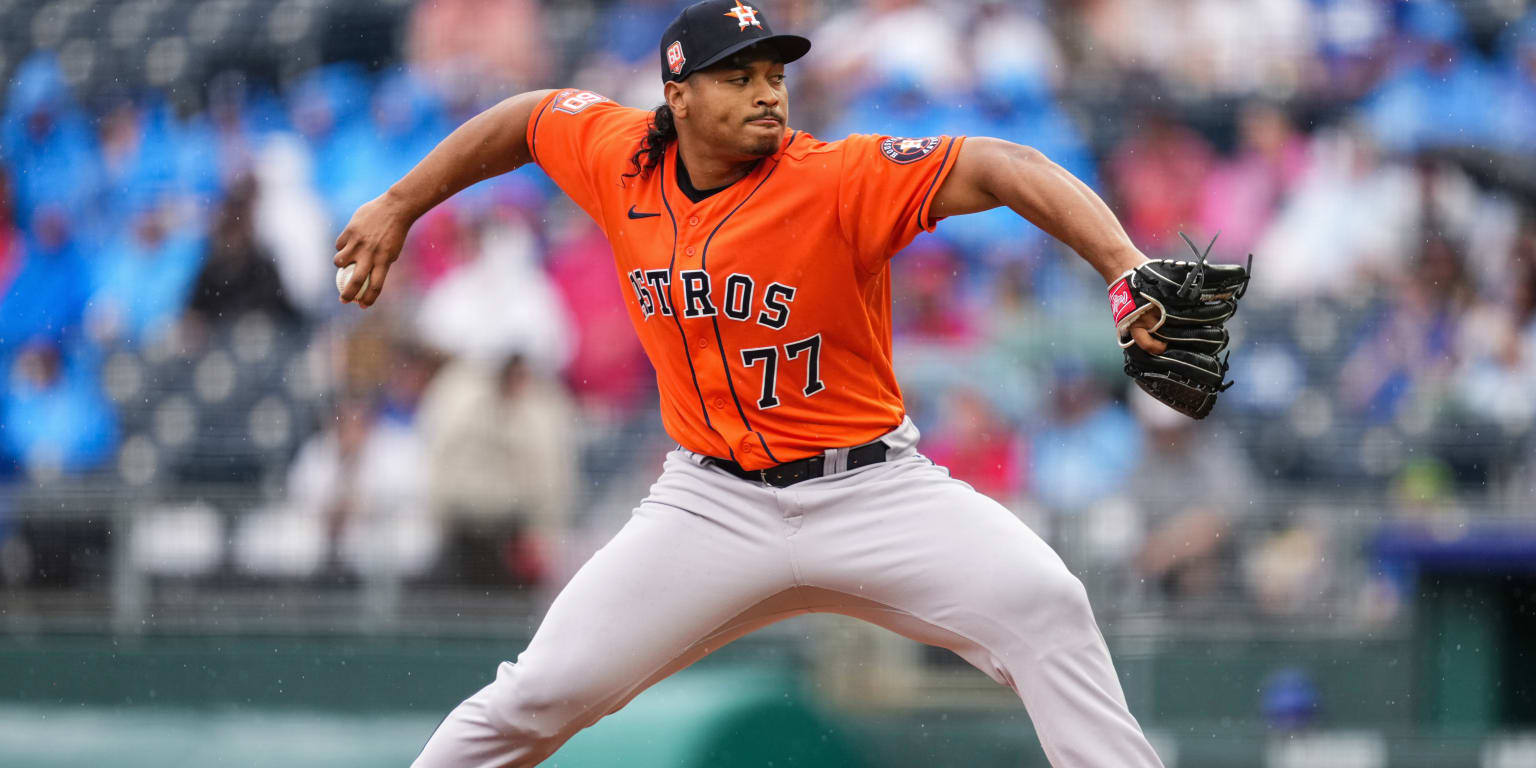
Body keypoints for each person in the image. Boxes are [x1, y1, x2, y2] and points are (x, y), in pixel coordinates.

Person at [335, 3, 1173, 765]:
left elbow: (1003, 163)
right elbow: (527, 118)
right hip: (710, 506)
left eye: (775, 74)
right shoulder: (619, 157)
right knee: (538, 694)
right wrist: (400, 203)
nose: (768, 93)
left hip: (875, 489)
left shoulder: (837, 177)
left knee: (1048, 605)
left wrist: (1124, 267)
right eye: (738, 76)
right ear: (679, 96)